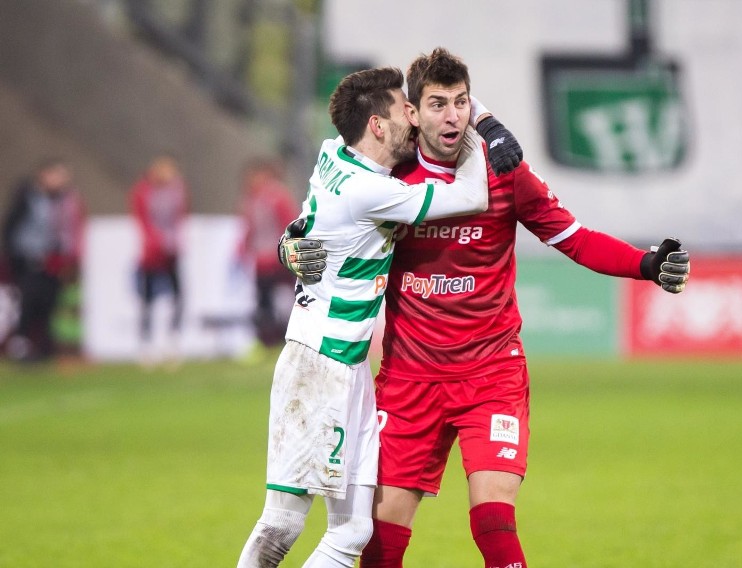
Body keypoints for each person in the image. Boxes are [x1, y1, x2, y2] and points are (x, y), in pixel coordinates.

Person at [283, 48, 690, 568]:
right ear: (412, 112)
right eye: (436, 104)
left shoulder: (506, 172)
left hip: (491, 374)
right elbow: (321, 217)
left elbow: (575, 238)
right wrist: (288, 246)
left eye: (460, 102)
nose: (451, 116)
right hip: (410, 379)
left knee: (493, 522)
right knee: (378, 542)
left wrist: (646, 263)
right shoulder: (389, 181)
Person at [235, 66, 490, 568]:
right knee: (282, 521)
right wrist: (483, 128)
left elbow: (306, 220)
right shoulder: (368, 191)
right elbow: (473, 197)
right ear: (377, 124)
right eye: (405, 110)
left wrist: (290, 242)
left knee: (353, 530)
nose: (415, 121)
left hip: (350, 369)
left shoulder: (334, 154)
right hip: (317, 364)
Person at [1, 158, 85, 362]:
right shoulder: (27, 197)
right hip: (29, 262)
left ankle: (43, 348)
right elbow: (11, 228)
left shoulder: (65, 200)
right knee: (29, 304)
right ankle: (20, 346)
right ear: (44, 175)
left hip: (54, 263)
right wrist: (13, 258)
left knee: (49, 305)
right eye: (56, 175)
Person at [129, 154, 188, 366]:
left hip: (171, 253)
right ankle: (146, 344)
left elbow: (180, 217)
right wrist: (156, 242)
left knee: (178, 297)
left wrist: (173, 242)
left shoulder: (176, 189)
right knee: (147, 300)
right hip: (151, 255)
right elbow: (143, 221)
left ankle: (173, 341)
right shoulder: (143, 191)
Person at [236, 158, 300, 350]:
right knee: (264, 303)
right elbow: (250, 229)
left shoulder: (277, 196)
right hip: (262, 261)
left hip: (278, 259)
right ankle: (267, 341)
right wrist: (243, 249)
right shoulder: (251, 199)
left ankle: (289, 339)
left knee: (288, 299)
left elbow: (290, 224)